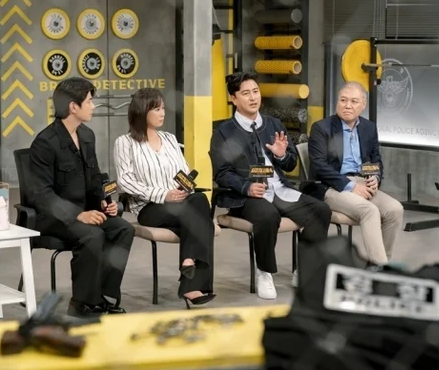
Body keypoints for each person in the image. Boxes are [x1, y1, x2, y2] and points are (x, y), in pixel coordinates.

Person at [209, 71, 331, 300]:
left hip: (280, 190)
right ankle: (264, 272)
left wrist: (281, 155)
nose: (253, 97)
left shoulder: (274, 124)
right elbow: (222, 173)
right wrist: (247, 187)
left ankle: (304, 269)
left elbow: (291, 163)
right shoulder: (223, 132)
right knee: (268, 215)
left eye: (256, 91)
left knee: (321, 210)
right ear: (234, 99)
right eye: (246, 93)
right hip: (246, 197)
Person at [29, 77, 135, 318]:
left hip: (86, 211)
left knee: (123, 229)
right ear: (73, 107)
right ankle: (82, 303)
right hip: (54, 218)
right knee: (92, 234)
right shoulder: (45, 143)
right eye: (89, 101)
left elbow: (94, 177)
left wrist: (104, 201)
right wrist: (78, 214)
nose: (93, 106)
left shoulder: (87, 135)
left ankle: (104, 296)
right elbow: (41, 195)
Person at [113, 88, 216, 309]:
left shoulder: (170, 139)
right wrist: (164, 194)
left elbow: (183, 171)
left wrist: (183, 188)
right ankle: (191, 279)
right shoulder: (125, 142)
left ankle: (189, 266)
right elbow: (125, 181)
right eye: (157, 109)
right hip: (151, 207)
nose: (163, 113)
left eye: (162, 108)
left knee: (199, 199)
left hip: (180, 201)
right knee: (203, 222)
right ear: (142, 111)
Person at [307, 81, 404, 266]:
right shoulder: (321, 128)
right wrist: (350, 186)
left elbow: (376, 159)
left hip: (362, 183)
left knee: (395, 209)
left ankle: (379, 265)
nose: (347, 105)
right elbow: (319, 166)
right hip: (331, 186)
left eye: (353, 101)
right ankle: (380, 271)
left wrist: (375, 178)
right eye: (343, 100)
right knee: (369, 210)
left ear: (363, 104)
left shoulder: (369, 127)